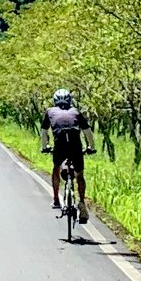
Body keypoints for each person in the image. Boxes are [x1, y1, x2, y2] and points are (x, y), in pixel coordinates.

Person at [44, 89, 89, 218]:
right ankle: (81, 202)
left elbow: (44, 132)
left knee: (56, 168)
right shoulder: (76, 111)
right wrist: (91, 147)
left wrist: (45, 146)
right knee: (80, 174)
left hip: (59, 147)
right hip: (75, 147)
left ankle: (56, 200)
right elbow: (87, 131)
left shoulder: (50, 112)